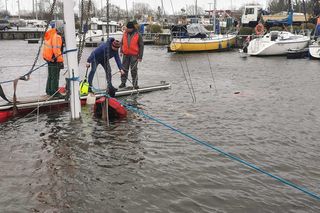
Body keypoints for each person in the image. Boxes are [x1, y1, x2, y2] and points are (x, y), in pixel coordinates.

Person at [42, 21, 64, 97]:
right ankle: (55, 92)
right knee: (55, 76)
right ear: (60, 28)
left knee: (50, 75)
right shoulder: (57, 36)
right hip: (54, 59)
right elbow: (57, 50)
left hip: (48, 58)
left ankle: (49, 90)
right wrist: (60, 61)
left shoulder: (50, 34)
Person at [119, 21, 144, 89]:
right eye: (127, 28)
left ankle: (135, 84)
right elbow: (122, 43)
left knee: (134, 70)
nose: (127, 29)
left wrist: (140, 56)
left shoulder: (138, 35)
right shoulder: (124, 34)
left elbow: (141, 46)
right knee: (124, 69)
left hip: (134, 55)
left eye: (128, 28)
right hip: (125, 55)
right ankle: (123, 83)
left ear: (132, 28)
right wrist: (121, 51)